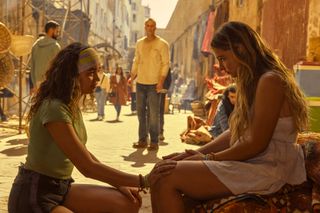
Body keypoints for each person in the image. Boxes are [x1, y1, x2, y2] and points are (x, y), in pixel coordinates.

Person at [150, 21, 309, 213]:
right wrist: (194, 156)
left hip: (270, 168)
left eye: (223, 58)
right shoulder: (252, 81)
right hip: (256, 162)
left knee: (166, 178)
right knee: (168, 175)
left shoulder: (270, 81)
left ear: (240, 49)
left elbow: (256, 144)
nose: (221, 67)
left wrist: (208, 158)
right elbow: (235, 132)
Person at [8, 43, 176, 213]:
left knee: (129, 203)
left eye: (98, 71)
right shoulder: (54, 108)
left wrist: (120, 184)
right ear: (72, 76)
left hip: (62, 188)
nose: (97, 78)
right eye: (90, 73)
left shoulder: (70, 105)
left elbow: (85, 154)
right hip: (34, 194)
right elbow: (87, 167)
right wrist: (144, 180)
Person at [131, 18, 170, 151]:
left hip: (154, 84)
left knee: (154, 114)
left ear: (155, 28)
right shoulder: (139, 43)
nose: (150, 28)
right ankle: (142, 140)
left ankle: (154, 141)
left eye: (152, 26)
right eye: (147, 25)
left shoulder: (162, 44)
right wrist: (132, 76)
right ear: (145, 27)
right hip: (141, 83)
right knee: (140, 113)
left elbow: (166, 64)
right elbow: (136, 60)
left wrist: (161, 82)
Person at [30, 20, 61, 89]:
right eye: (57, 31)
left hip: (38, 83)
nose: (58, 34)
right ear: (51, 30)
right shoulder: (55, 46)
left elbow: (32, 66)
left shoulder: (35, 45)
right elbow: (58, 68)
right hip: (50, 83)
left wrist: (34, 84)